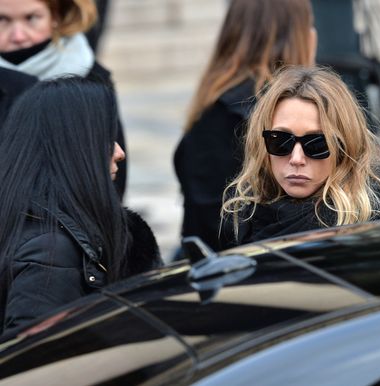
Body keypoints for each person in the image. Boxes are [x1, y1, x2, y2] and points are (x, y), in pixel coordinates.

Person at [0, 76, 161, 336]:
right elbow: (33, 364)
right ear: (72, 148)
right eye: (105, 137)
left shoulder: (48, 229)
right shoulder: (51, 253)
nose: (119, 152)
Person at [173, 0, 317, 251]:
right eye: (309, 26)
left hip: (209, 266)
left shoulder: (209, 110)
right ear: (298, 36)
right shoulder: (273, 116)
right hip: (259, 268)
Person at [221, 66, 380, 247]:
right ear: (261, 143)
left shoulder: (368, 225)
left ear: (344, 149)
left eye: (316, 144)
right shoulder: (242, 216)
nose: (297, 158)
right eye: (281, 141)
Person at [0, 0, 128, 199]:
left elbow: (114, 172)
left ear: (56, 16)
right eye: (2, 20)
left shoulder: (91, 76)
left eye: (32, 18)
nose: (18, 36)